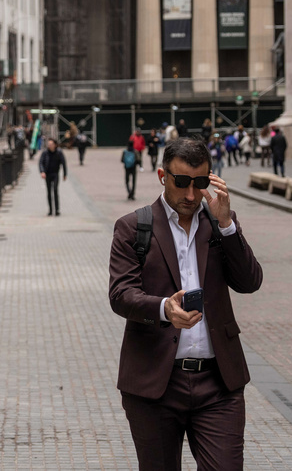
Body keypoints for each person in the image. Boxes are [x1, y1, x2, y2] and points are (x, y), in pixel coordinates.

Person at [109, 137, 263, 471]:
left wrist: (227, 226)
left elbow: (250, 281)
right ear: (163, 176)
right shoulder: (134, 227)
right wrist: (164, 308)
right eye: (181, 183)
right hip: (155, 385)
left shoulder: (218, 223)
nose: (191, 195)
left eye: (200, 183)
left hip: (218, 384)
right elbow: (121, 294)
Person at [39, 138, 67, 216]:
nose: (49, 145)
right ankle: (51, 210)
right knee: (49, 192)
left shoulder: (59, 152)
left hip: (55, 174)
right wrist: (42, 172)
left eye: (51, 144)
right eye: (49, 144)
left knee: (55, 190)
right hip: (47, 174)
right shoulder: (45, 153)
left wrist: (65, 174)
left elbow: (63, 163)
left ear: (55, 145)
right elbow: (41, 162)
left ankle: (57, 209)